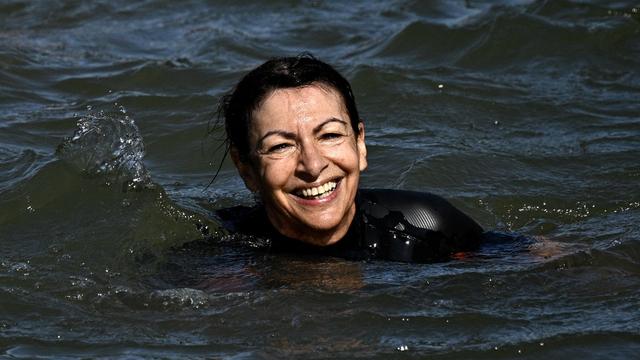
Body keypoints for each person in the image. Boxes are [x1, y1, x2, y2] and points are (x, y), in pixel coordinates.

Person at [215, 54, 484, 263]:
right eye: (281, 146)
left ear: (360, 144)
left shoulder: (427, 227)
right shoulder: (223, 258)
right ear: (245, 168)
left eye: (330, 135)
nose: (313, 165)